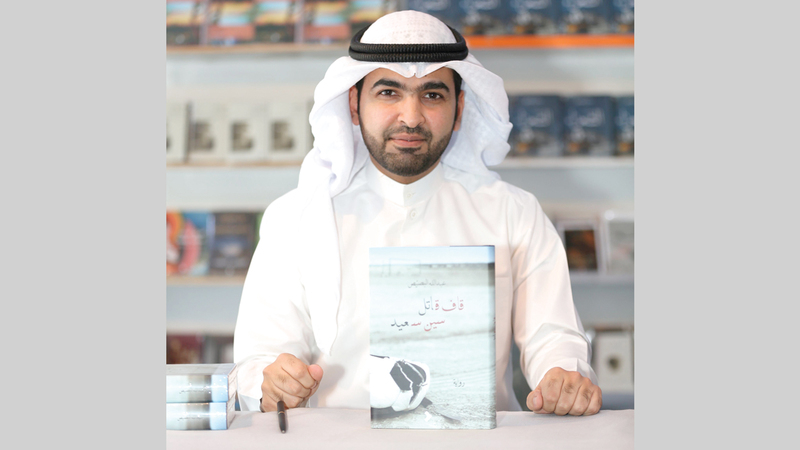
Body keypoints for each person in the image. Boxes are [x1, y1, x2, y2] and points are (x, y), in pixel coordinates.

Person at [233, 10, 602, 417]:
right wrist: (271, 381)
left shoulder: (513, 213)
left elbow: (554, 339)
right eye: (389, 92)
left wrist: (561, 376)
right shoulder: (295, 219)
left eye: (432, 95)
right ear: (354, 105)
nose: (410, 118)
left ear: (459, 110)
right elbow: (256, 362)